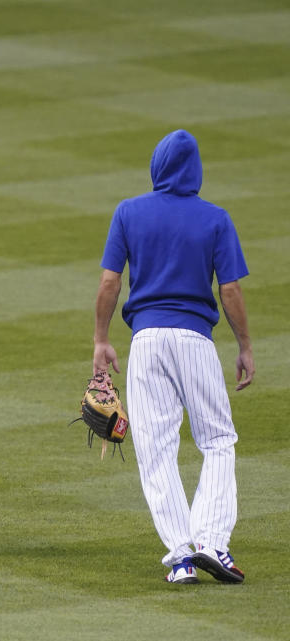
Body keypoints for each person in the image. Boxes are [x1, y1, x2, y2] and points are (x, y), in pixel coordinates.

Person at [93, 129, 253, 584]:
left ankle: (182, 555)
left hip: (145, 342)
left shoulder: (129, 211)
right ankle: (211, 543)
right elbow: (231, 289)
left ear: (156, 166)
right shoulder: (215, 218)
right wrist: (244, 346)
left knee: (156, 450)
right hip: (195, 342)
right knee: (217, 441)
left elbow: (110, 283)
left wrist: (101, 340)